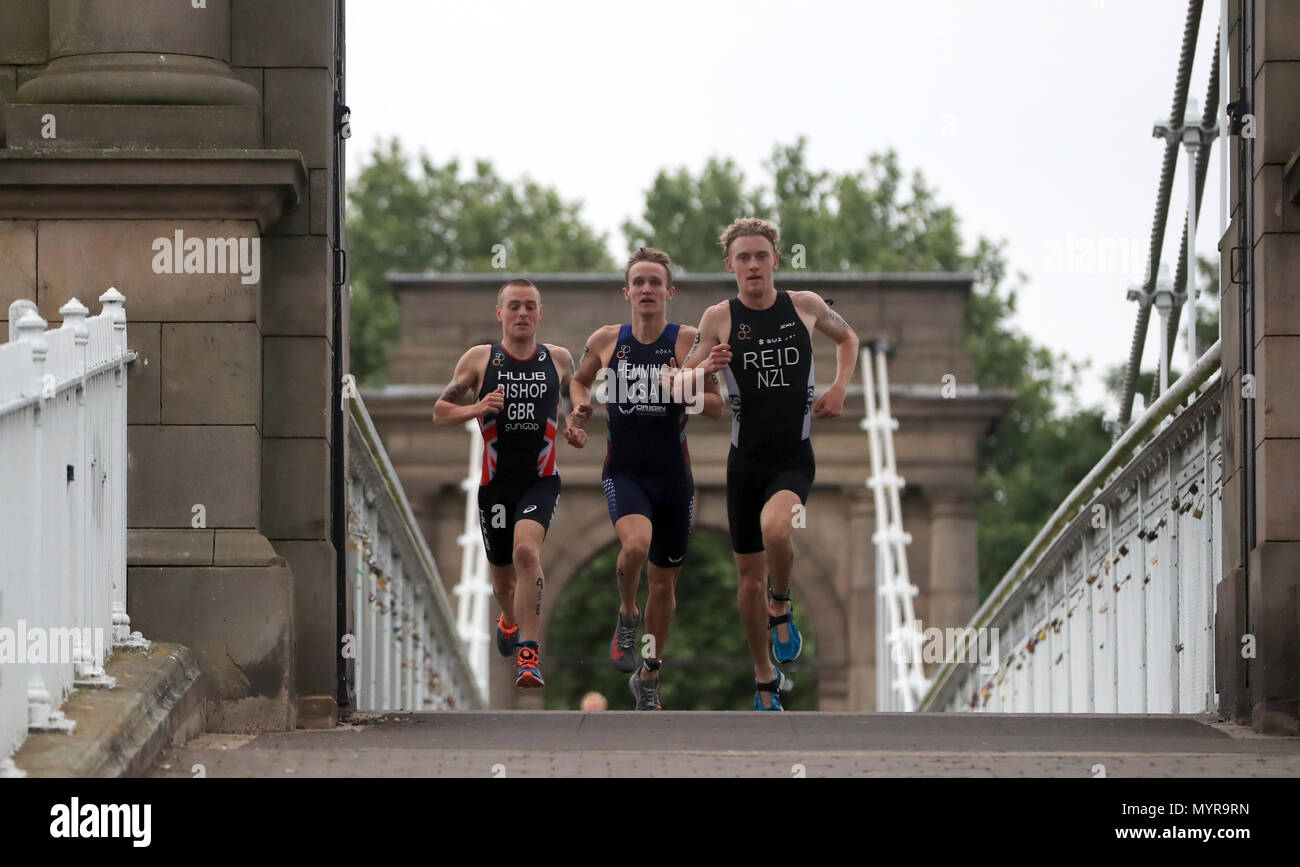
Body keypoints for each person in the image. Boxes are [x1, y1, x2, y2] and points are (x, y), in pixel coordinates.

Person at [677, 218, 859, 710]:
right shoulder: (718, 317)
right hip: (745, 464)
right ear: (730, 264)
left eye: (761, 256)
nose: (753, 265)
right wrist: (705, 369)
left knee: (779, 530)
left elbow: (848, 340)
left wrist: (839, 388)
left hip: (794, 458)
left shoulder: (805, 306)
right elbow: (676, 383)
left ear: (775, 260)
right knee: (747, 580)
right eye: (744, 257)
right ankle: (764, 680)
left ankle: (782, 604)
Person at [565, 247, 723, 710]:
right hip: (625, 471)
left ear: (669, 292)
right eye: (639, 282)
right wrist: (579, 408)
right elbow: (578, 381)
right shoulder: (607, 340)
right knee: (634, 546)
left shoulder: (688, 342)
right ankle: (627, 613)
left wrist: (685, 386)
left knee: (664, 586)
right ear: (627, 291)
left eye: (656, 282)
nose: (647, 289)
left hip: (674, 479)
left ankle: (649, 674)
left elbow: (716, 407)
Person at [433, 278, 579, 689]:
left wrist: (575, 423)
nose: (522, 313)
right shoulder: (480, 360)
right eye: (513, 306)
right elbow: (440, 412)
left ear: (540, 313)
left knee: (526, 552)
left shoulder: (559, 358)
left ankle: (529, 657)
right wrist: (478, 406)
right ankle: (510, 620)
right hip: (495, 486)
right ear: (499, 313)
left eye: (530, 306)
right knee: (502, 581)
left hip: (540, 480)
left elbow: (574, 399)